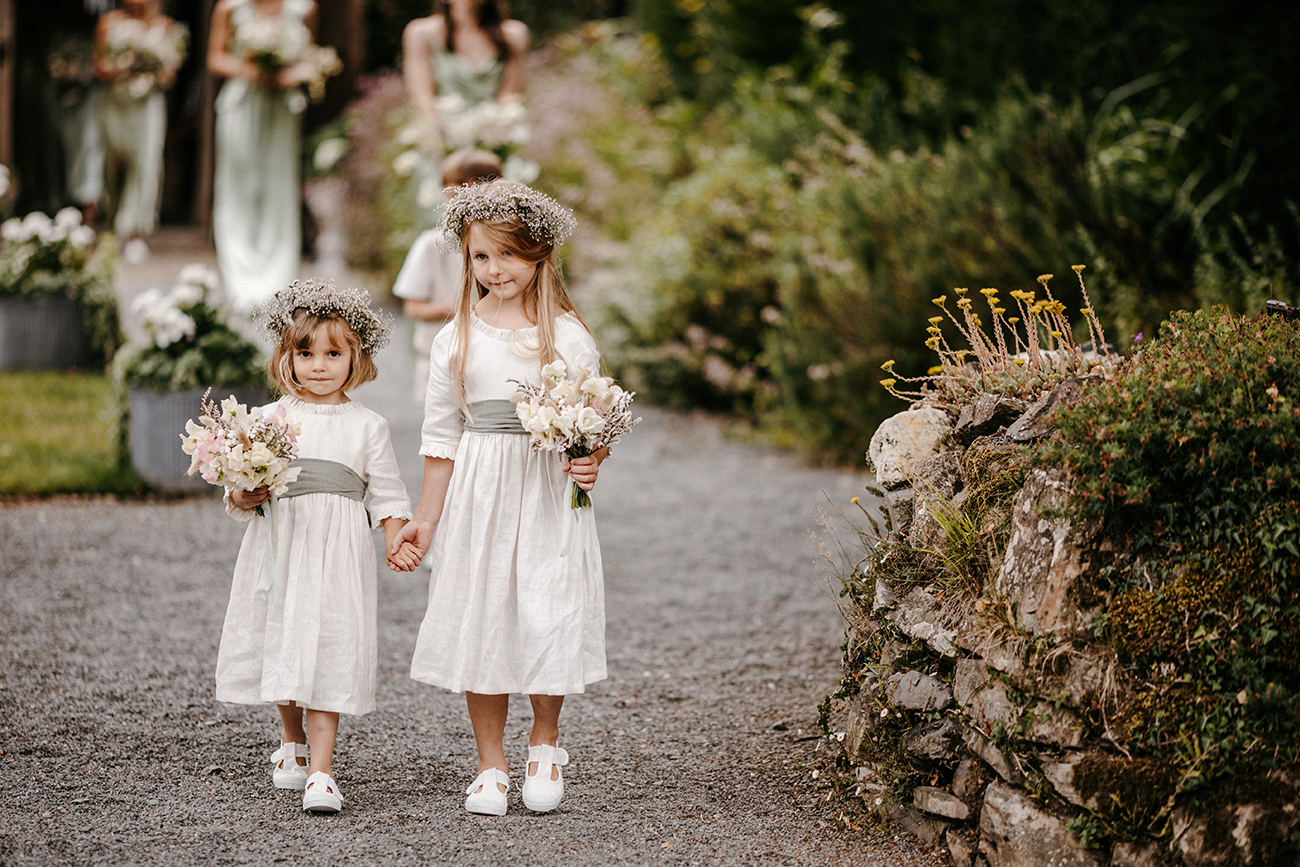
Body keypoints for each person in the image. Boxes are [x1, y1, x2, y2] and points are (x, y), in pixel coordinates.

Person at [392, 181, 607, 816]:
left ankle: (545, 742)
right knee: (482, 614)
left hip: (544, 490)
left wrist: (592, 458)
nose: (494, 269)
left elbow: (593, 420)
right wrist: (425, 520)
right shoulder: (456, 336)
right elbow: (441, 437)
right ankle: (491, 762)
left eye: (508, 254)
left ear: (539, 254)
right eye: (481, 256)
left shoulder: (566, 336)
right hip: (479, 491)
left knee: (546, 608)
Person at [216, 280, 420, 813]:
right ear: (286, 357)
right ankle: (292, 740)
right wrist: (243, 492)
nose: (319, 366)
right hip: (282, 546)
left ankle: (323, 773)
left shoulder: (367, 426)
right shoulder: (268, 420)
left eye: (333, 354)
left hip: (338, 554)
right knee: (284, 636)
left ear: (356, 357)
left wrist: (395, 536)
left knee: (328, 643)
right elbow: (239, 488)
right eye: (305, 353)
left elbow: (388, 492)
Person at [206, 0, 319, 311]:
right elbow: (216, 58)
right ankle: (241, 280)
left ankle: (278, 281)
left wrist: (291, 74)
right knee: (239, 189)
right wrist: (251, 70)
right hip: (242, 104)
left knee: (280, 189)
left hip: (282, 107)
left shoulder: (304, 8)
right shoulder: (230, 7)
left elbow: (311, 57)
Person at [392, 147, 502, 404]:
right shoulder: (431, 244)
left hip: (491, 359)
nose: (463, 202)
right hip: (441, 360)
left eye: (476, 192)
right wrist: (451, 309)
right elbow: (412, 307)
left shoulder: (506, 244)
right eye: (453, 194)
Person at [93, 0, 186, 262]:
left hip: (147, 105)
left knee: (145, 164)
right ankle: (113, 225)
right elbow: (98, 66)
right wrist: (125, 64)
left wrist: (153, 67)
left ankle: (135, 232)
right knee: (112, 165)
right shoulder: (109, 23)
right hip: (116, 102)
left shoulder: (166, 26)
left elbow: (169, 75)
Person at [402, 0, 528, 148]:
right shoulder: (420, 33)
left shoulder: (513, 34)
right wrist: (444, 139)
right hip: (440, 138)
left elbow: (509, 94)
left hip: (494, 137)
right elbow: (423, 98)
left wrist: (494, 136)